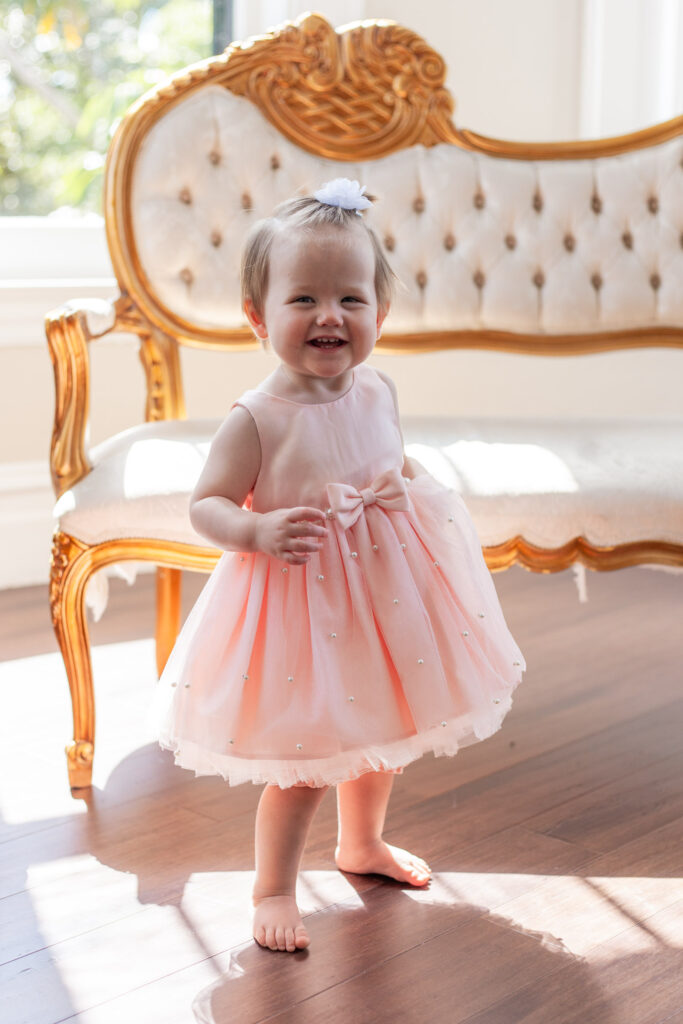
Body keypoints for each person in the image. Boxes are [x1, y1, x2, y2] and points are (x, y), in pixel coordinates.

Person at [150, 178, 525, 953]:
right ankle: (273, 888)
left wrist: (405, 482)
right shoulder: (257, 418)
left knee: (384, 728)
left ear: (379, 316)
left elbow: (384, 455)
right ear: (258, 317)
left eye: (350, 300)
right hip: (299, 606)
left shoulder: (378, 388)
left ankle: (362, 845)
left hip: (385, 594)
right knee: (302, 762)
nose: (330, 316)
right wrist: (255, 532)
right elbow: (206, 504)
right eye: (303, 300)